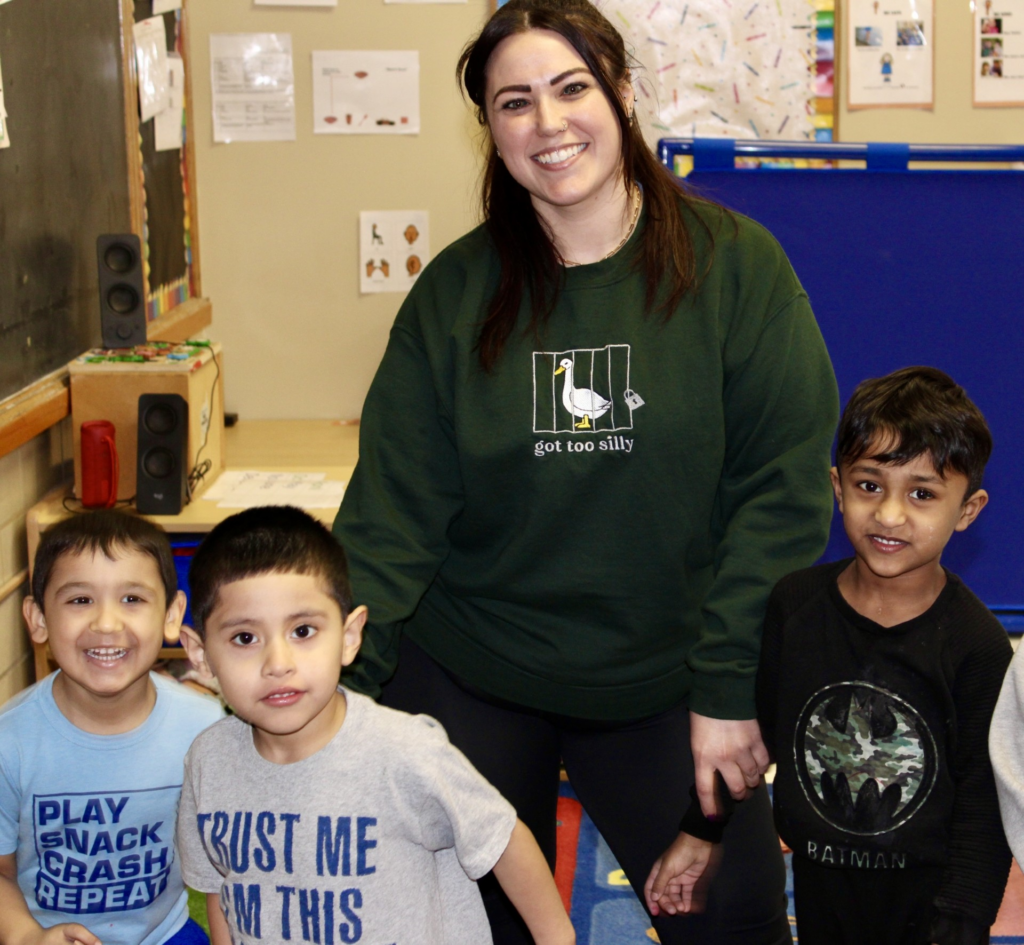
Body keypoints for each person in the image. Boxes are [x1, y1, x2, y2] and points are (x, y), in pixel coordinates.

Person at [332, 0, 839, 941]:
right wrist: (328, 693)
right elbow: (392, 515)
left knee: (735, 919)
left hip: (665, 675)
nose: (549, 122)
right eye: (514, 101)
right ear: (489, 127)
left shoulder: (738, 269)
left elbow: (781, 492)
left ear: (624, 94)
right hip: (473, 668)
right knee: (474, 925)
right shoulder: (455, 292)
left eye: (572, 89)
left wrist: (730, 688)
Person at [176, 506, 574, 945]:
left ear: (349, 638)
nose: (278, 664)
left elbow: (504, 839)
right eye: (245, 638)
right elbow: (218, 886)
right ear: (200, 654)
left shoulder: (405, 750)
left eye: (303, 631)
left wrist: (556, 939)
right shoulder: (207, 759)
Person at [756, 367, 1012, 945]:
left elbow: (982, 798)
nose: (890, 515)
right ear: (837, 487)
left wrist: (963, 920)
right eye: (870, 485)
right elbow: (757, 736)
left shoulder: (977, 645)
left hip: (931, 904)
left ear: (967, 511)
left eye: (922, 494)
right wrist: (703, 829)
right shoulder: (793, 606)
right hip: (819, 884)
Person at [0, 510, 223, 945]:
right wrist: (27, 935)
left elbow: (228, 863)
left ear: (173, 614)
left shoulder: (204, 726)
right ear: (39, 619)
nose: (106, 623)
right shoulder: (10, 742)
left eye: (132, 599)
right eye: (80, 600)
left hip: (165, 934)